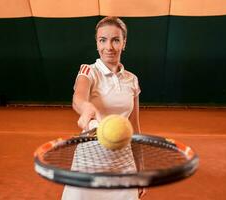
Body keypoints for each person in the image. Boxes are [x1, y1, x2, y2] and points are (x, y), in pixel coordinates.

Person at [61, 16, 144, 200]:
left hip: (123, 165)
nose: (109, 47)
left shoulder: (132, 79)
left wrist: (140, 170)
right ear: (97, 44)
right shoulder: (88, 71)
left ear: (124, 43)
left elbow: (135, 129)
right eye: (102, 40)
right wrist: (86, 107)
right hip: (89, 164)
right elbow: (78, 98)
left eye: (116, 40)